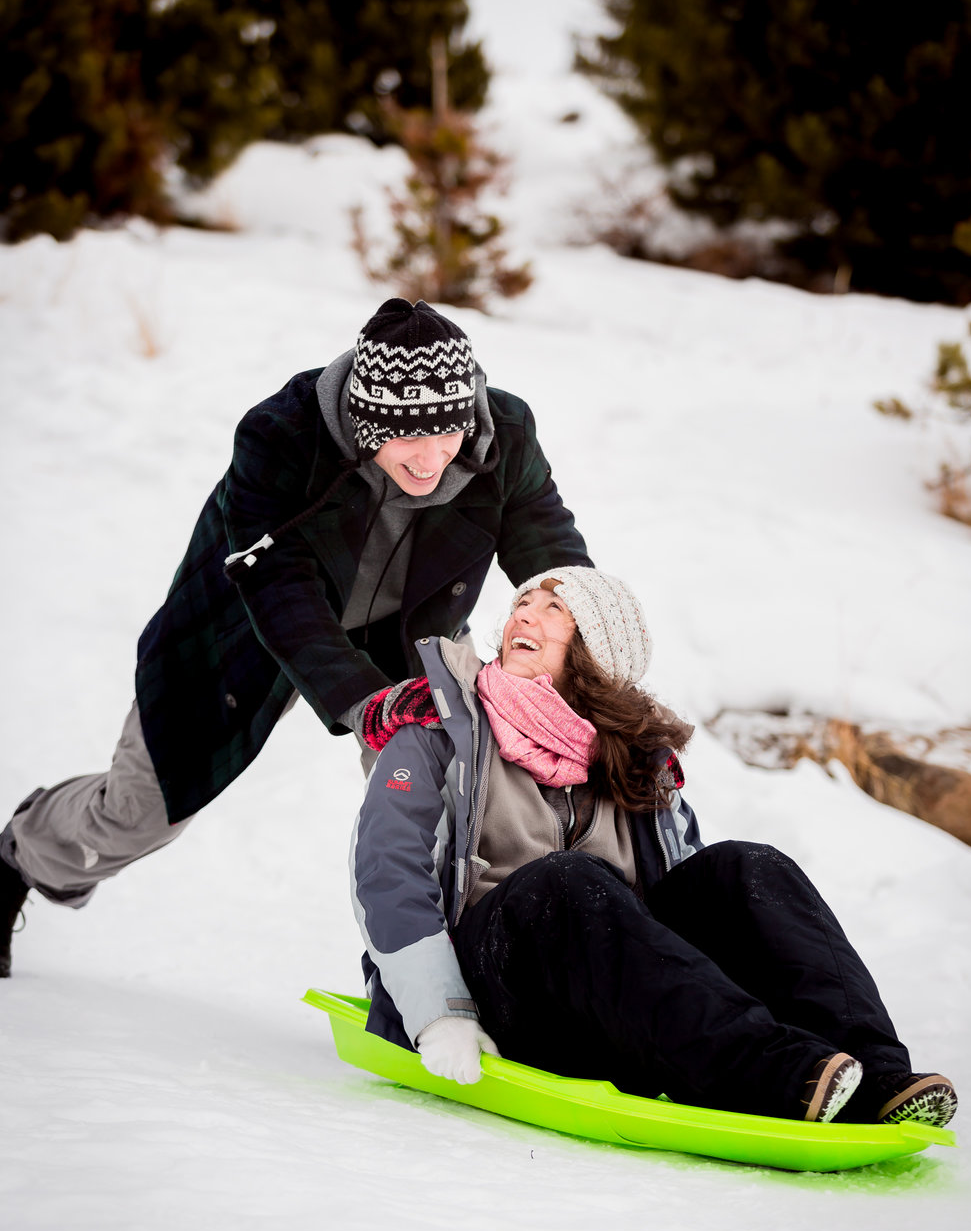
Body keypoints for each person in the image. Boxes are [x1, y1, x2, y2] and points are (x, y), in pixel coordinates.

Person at [0, 298, 592, 976]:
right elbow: (280, 589)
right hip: (246, 633)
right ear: (368, 421)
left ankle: (445, 975)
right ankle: (21, 849)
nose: (430, 459)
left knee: (452, 806)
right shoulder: (281, 435)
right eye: (406, 436)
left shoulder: (504, 434)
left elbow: (551, 556)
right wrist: (365, 701)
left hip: (409, 639)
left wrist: (592, 662)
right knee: (140, 813)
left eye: (446, 434)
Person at [348, 566, 958, 1128]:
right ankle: (771, 1072)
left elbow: (691, 917)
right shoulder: (438, 728)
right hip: (489, 993)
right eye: (522, 603)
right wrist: (439, 1012)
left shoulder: (633, 762)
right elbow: (387, 869)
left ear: (598, 654)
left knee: (747, 867)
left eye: (555, 608)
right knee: (566, 880)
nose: (523, 616)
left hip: (610, 1000)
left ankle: (874, 1076)